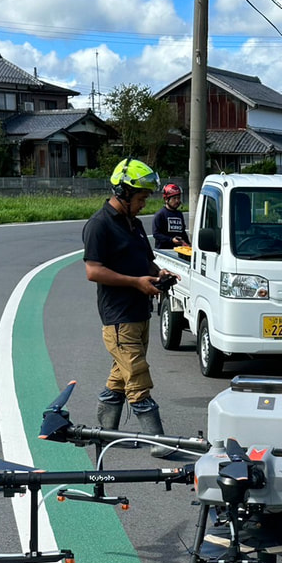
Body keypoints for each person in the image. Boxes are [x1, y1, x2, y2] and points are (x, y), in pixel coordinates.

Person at [82, 157, 179, 456]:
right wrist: (136, 282)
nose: (143, 204)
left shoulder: (133, 224)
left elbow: (145, 261)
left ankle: (104, 434)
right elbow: (93, 271)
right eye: (140, 198)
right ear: (122, 193)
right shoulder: (99, 226)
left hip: (139, 313)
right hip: (118, 317)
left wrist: (157, 274)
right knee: (137, 377)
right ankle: (158, 444)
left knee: (120, 377)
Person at [151, 183, 190, 249]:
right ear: (166, 199)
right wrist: (171, 240)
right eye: (174, 198)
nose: (177, 201)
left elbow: (182, 232)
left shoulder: (179, 214)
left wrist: (188, 243)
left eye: (178, 198)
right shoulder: (160, 215)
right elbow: (156, 234)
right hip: (164, 252)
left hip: (178, 250)